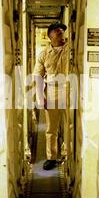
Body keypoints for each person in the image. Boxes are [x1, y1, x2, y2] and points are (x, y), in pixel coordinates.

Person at [33, 22, 69, 170]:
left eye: (62, 29)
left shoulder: (71, 49)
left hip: (70, 89)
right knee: (51, 128)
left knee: (71, 125)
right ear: (50, 36)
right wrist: (40, 97)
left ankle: (69, 154)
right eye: (56, 30)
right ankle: (51, 158)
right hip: (52, 91)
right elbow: (38, 76)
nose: (60, 31)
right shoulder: (43, 54)